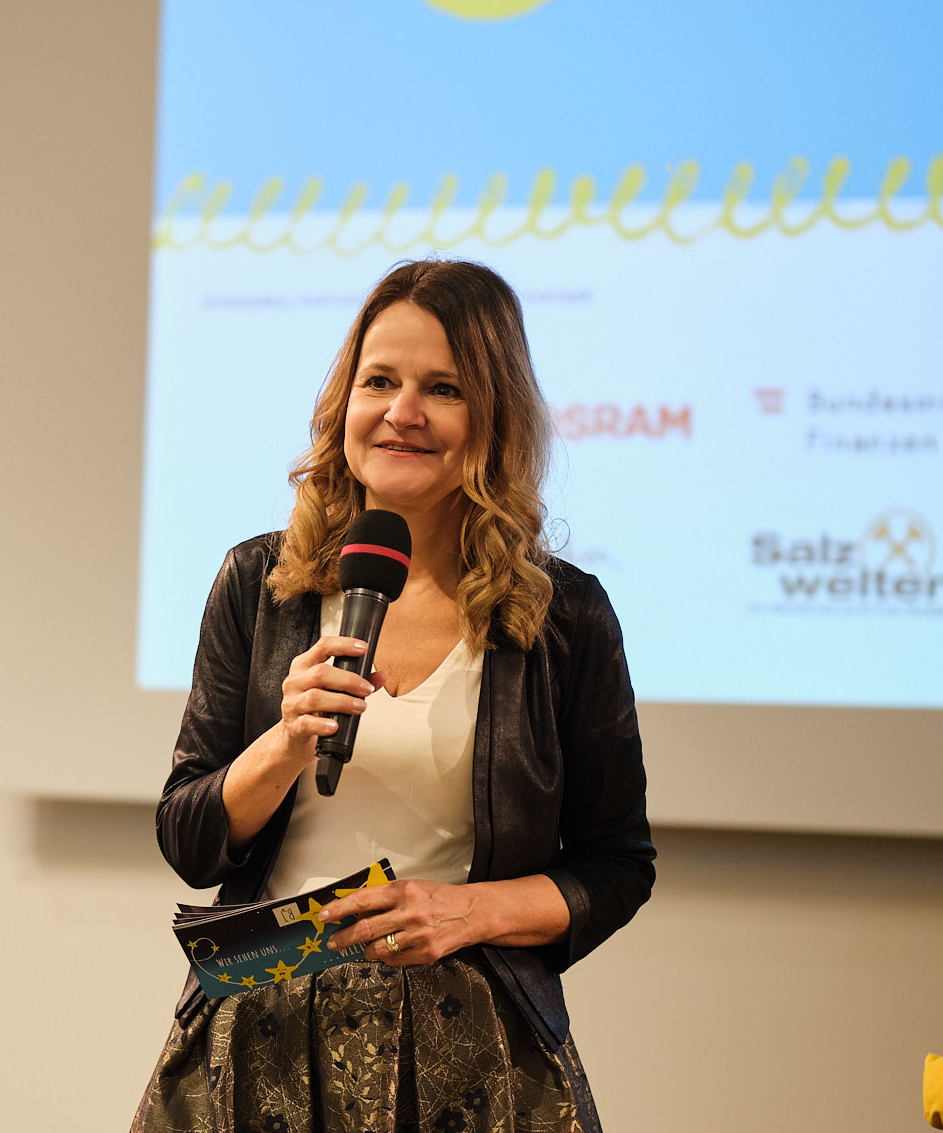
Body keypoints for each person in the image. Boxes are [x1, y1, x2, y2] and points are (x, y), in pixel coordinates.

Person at [132, 259, 654, 1133]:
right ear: (345, 402)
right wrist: (284, 742)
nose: (401, 412)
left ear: (493, 418)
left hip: (469, 1045)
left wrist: (467, 910)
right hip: (260, 1030)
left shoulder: (564, 616)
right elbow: (188, 838)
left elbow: (617, 865)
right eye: (379, 381)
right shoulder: (259, 582)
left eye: (442, 388)